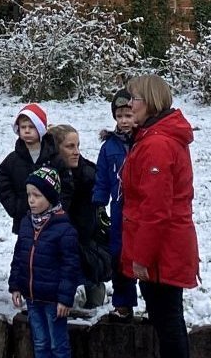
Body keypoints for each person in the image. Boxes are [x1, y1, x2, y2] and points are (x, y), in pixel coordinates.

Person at [120, 75, 197, 358]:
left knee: (168, 323)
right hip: (164, 247)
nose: (130, 105)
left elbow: (155, 208)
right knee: (167, 321)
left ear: (150, 102)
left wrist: (142, 256)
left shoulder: (157, 145)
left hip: (162, 251)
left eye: (134, 99)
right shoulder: (152, 138)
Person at [12, 167, 84, 358]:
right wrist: (16, 286)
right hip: (33, 297)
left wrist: (65, 298)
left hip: (54, 300)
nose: (31, 200)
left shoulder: (64, 228)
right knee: (40, 342)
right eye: (29, 195)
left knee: (57, 345)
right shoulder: (27, 222)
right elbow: (19, 255)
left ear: (50, 197)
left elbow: (70, 267)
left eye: (37, 195)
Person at [51, 123, 109, 311]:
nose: (76, 152)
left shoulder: (88, 175)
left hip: (85, 240)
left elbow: (89, 222)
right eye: (70, 147)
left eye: (78, 146)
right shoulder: (49, 176)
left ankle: (94, 291)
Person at [92, 88, 138, 314]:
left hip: (140, 207)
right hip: (118, 207)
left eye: (128, 115)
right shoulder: (108, 147)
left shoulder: (144, 141)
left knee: (141, 253)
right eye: (120, 116)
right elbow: (101, 178)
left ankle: (150, 298)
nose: (124, 121)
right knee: (119, 254)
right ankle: (123, 302)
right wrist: (99, 204)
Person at [0, 104, 57, 228]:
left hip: (53, 219)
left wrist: (58, 206)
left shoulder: (53, 157)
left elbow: (66, 183)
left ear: (40, 129)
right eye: (23, 127)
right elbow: (3, 184)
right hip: (24, 220)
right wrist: (16, 207)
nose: (27, 130)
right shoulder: (13, 159)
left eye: (31, 127)